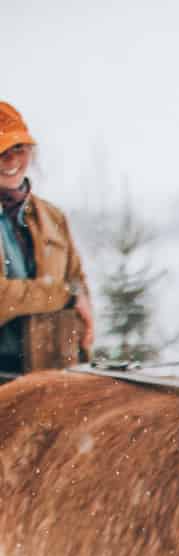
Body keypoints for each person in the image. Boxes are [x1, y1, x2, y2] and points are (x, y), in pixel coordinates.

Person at [0, 103, 93, 380]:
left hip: (53, 373)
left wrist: (83, 359)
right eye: (1, 151)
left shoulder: (52, 216)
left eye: (19, 148)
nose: (11, 159)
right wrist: (65, 297)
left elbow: (78, 284)